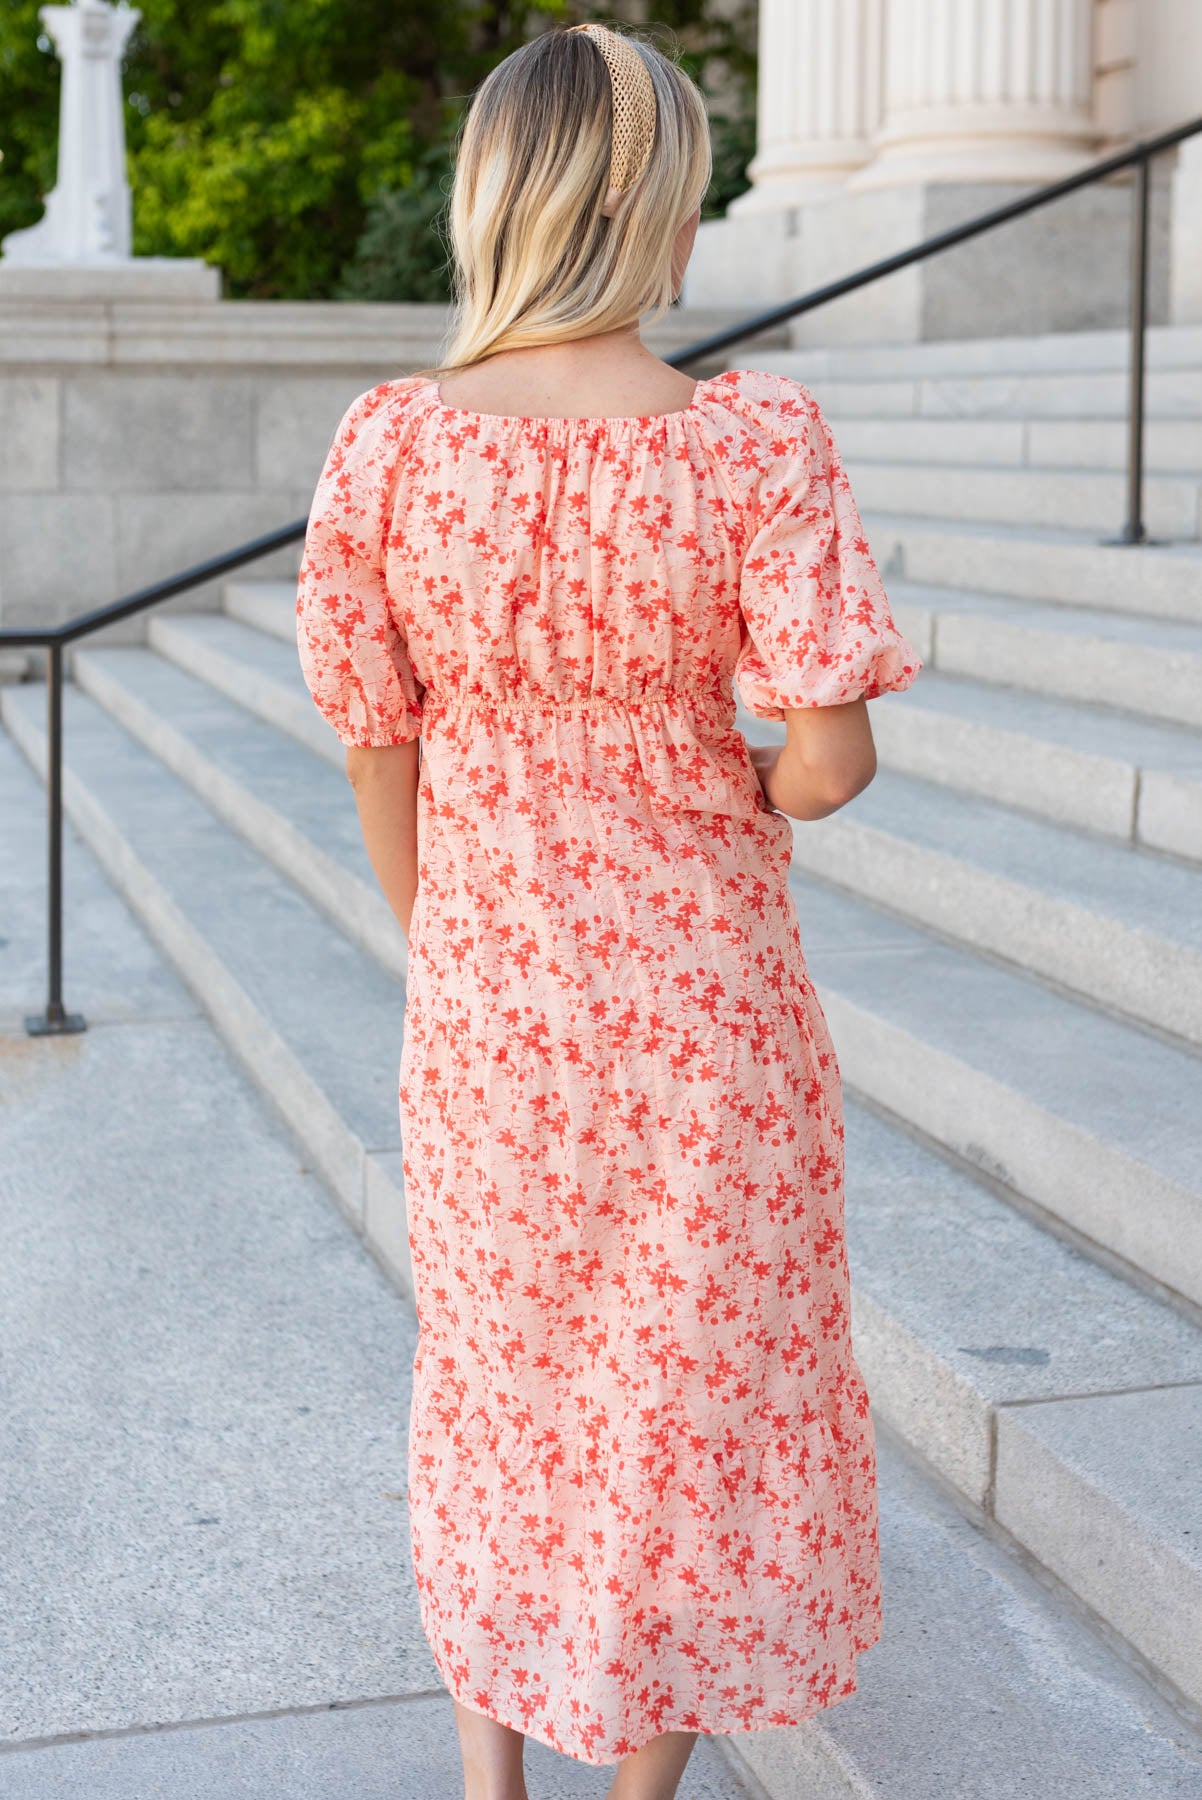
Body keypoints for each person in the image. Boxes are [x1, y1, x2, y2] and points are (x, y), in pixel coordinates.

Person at [295, 20, 923, 1800]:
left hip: (495, 996)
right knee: (679, 1403)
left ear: (496, 202)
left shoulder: (394, 449)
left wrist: (452, 945)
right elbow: (830, 759)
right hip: (706, 1006)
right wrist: (737, 782)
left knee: (500, 1379)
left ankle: (490, 1780)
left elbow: (374, 750)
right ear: (659, 211)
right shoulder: (752, 442)